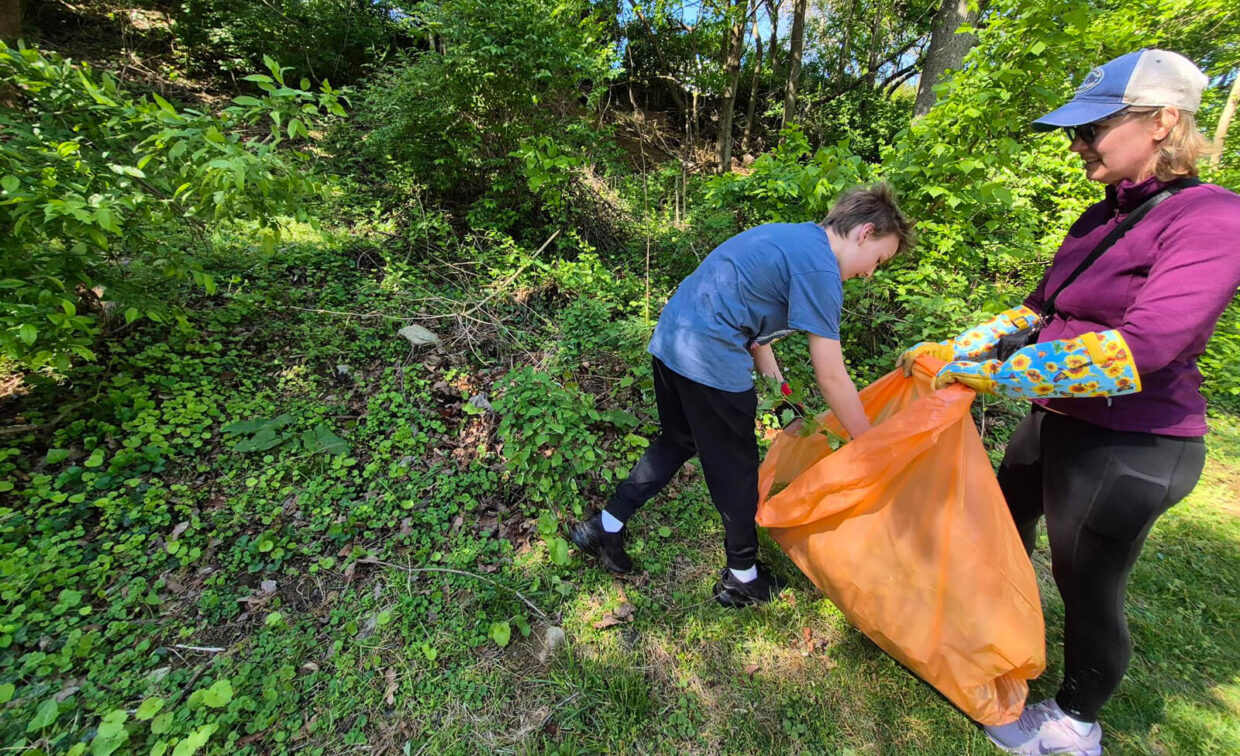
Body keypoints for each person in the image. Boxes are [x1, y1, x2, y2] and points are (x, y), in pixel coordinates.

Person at [900, 49, 1240, 755]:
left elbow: (1140, 349)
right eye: (1072, 133)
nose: (1077, 145)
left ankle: (1075, 721)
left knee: (1085, 578)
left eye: (1092, 129)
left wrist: (999, 378)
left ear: (1163, 122)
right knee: (1000, 523)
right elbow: (1037, 308)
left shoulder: (1214, 219)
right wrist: (963, 348)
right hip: (1054, 419)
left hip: (1133, 441)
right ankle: (999, 636)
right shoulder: (1097, 216)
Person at [572, 183, 915, 607]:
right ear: (864, 232)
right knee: (737, 471)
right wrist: (871, 446)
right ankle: (742, 578)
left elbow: (755, 336)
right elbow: (832, 376)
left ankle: (605, 525)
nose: (870, 273)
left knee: (678, 440)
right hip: (709, 354)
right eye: (878, 260)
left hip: (672, 340)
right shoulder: (821, 269)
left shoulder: (793, 237)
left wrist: (784, 403)